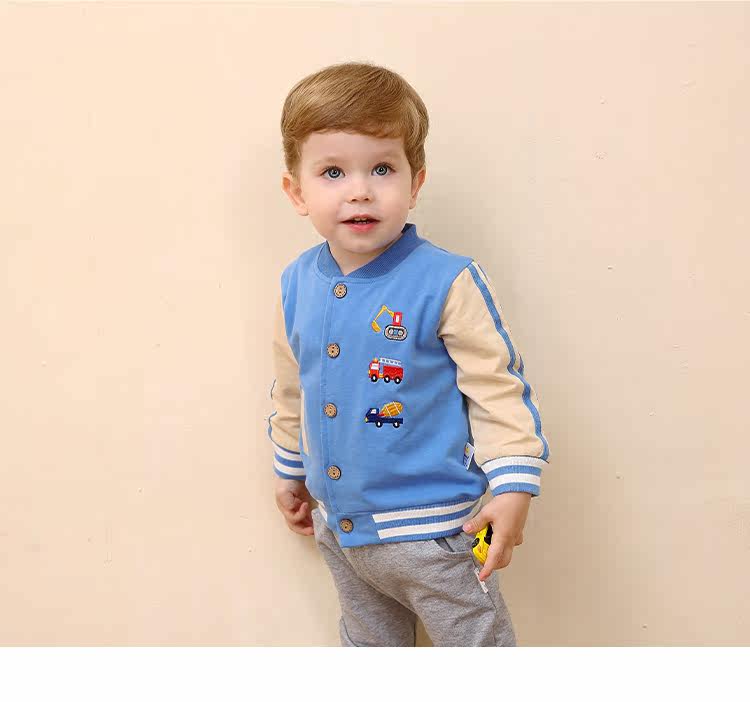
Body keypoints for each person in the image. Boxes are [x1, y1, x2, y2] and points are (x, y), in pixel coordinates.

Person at [266, 61, 551, 646]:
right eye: (332, 172)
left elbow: (497, 388)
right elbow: (293, 385)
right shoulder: (296, 283)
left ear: (415, 182)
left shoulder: (447, 280)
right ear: (296, 191)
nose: (359, 190)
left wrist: (514, 485)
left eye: (382, 169)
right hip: (342, 529)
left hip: (442, 534)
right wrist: (291, 469)